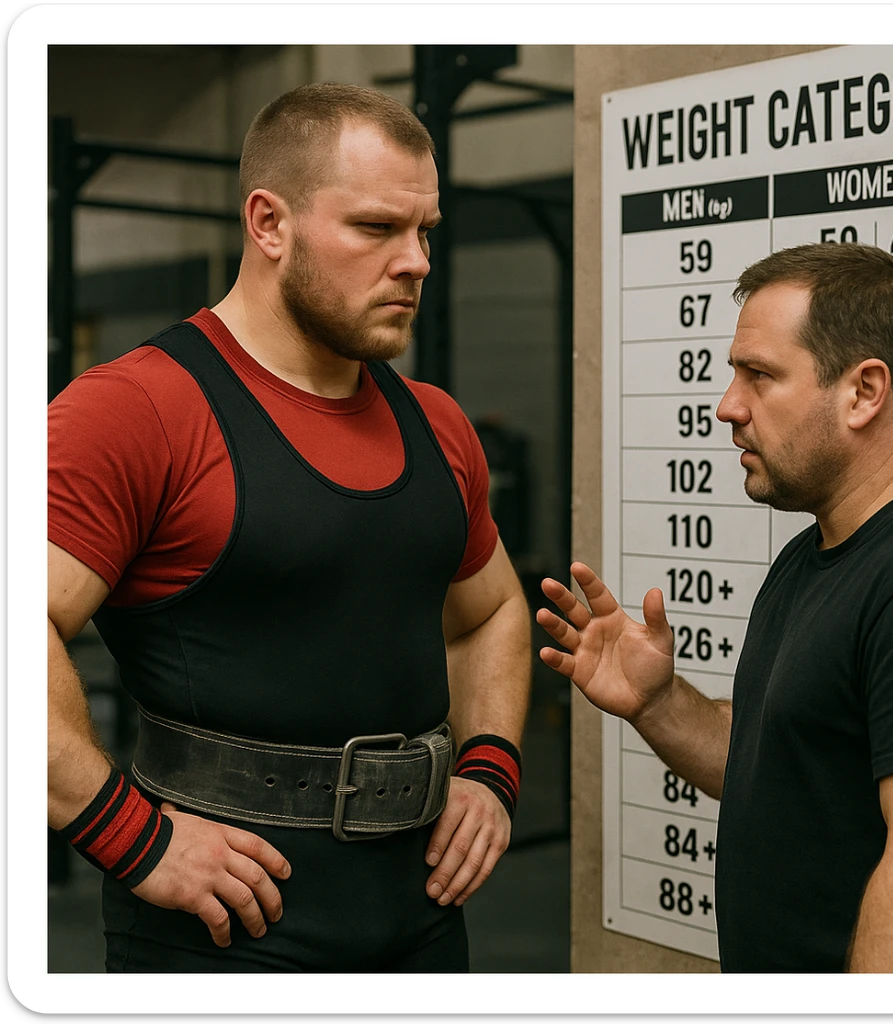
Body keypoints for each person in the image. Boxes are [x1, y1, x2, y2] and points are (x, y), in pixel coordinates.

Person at [47, 82, 532, 973]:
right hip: (225, 926)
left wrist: (490, 769)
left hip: (421, 917)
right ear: (269, 225)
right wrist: (130, 837)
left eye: (425, 231)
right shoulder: (136, 409)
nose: (418, 261)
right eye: (377, 228)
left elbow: (493, 612)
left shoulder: (437, 424)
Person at [538, 243, 893, 973]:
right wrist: (659, 703)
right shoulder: (816, 553)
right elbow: (785, 761)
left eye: (760, 376)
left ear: (864, 391)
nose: (728, 406)